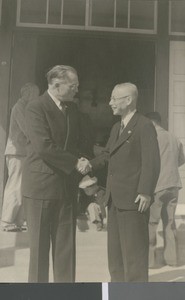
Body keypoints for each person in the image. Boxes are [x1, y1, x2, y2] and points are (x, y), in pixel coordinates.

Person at [79, 83, 160, 282]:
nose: (110, 103)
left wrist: (145, 191)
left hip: (134, 200)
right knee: (115, 258)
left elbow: (152, 161)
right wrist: (88, 164)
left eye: (114, 98)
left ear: (128, 100)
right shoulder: (117, 127)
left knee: (134, 258)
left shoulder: (144, 125)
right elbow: (107, 155)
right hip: (114, 200)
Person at [22, 65, 90, 283]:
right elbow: (43, 146)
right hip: (40, 189)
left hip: (66, 188)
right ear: (56, 84)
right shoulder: (35, 107)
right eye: (73, 86)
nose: (76, 90)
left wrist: (86, 163)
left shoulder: (72, 109)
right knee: (40, 253)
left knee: (66, 252)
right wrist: (75, 163)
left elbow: (78, 143)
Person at [145, 112, 185, 267]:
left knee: (152, 223)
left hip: (158, 186)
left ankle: (151, 261)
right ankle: (173, 259)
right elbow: (181, 159)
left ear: (151, 122)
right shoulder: (174, 138)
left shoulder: (151, 138)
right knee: (170, 223)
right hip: (174, 185)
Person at [1, 83, 40, 232]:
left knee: (21, 186)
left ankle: (17, 220)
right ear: (28, 94)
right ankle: (6, 220)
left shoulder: (23, 108)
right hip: (17, 152)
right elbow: (27, 129)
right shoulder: (19, 108)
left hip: (22, 152)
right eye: (35, 94)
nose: (37, 97)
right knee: (15, 185)